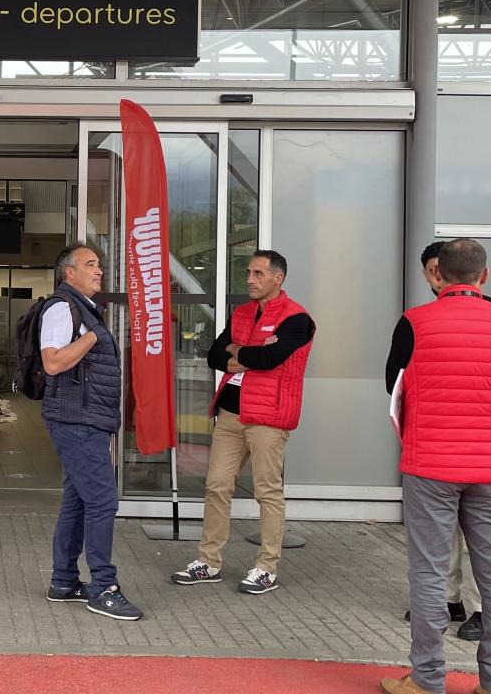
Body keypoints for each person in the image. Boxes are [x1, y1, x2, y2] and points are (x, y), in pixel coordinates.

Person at [380, 238, 491, 694]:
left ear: (438, 274)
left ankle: (428, 681)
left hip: (430, 465)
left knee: (429, 572)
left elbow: (393, 383)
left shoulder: (415, 322)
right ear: (484, 276)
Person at [171, 250, 314, 595]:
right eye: (249, 272)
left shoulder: (297, 319)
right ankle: (208, 562)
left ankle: (267, 568)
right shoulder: (242, 313)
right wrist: (248, 351)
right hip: (230, 413)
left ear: (278, 278)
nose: (250, 279)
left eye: (258, 274)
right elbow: (214, 356)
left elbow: (269, 358)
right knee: (216, 486)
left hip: (268, 416)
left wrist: (239, 351)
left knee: (267, 492)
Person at [40, 241, 142, 621]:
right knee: (102, 500)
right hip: (76, 421)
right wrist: (93, 337)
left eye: (99, 264)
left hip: (85, 420)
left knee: (78, 500)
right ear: (70, 272)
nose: (99, 270)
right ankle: (103, 588)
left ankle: (64, 581)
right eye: (90, 264)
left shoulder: (83, 309)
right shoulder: (61, 308)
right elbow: (52, 363)